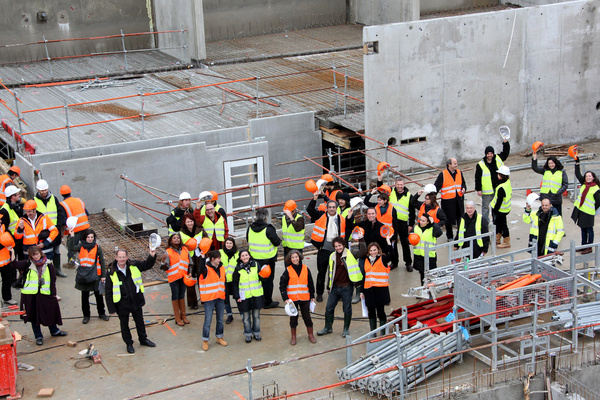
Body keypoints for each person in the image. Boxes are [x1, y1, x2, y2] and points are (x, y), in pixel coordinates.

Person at [106, 248, 157, 354]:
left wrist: (152, 255)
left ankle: (143, 339)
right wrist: (111, 308)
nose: (122, 259)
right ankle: (129, 343)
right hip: (122, 303)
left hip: (135, 300)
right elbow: (108, 291)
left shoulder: (134, 265)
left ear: (127, 257)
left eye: (124, 257)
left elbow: (147, 265)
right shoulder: (111, 272)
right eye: (119, 257)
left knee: (140, 321)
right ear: (116, 258)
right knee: (124, 325)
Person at [16, 246, 67, 346]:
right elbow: (15, 264)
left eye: (37, 254)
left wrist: (53, 294)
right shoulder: (28, 264)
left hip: (45, 293)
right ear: (30, 256)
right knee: (34, 316)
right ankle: (38, 336)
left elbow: (53, 279)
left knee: (49, 312)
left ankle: (54, 331)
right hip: (31, 295)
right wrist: (11, 253)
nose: (36, 256)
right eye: (33, 255)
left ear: (41, 253)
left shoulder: (48, 264)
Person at [317, 236, 364, 338]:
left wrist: (361, 239)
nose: (338, 248)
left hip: (346, 287)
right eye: (336, 246)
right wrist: (329, 287)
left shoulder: (350, 254)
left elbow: (363, 251)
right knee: (329, 308)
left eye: (339, 246)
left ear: (344, 245)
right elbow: (330, 272)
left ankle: (346, 329)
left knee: (347, 309)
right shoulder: (332, 256)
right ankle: (328, 327)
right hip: (335, 287)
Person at [307, 194, 346, 303]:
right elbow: (310, 209)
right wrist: (314, 198)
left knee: (335, 273)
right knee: (321, 273)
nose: (332, 209)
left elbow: (346, 232)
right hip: (323, 249)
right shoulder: (320, 215)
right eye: (330, 207)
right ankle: (319, 293)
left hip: (336, 250)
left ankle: (334, 292)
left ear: (336, 208)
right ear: (327, 208)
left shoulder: (341, 219)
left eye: (334, 207)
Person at [68, 228, 109, 324]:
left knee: (98, 296)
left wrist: (103, 275)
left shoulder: (97, 247)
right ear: (85, 238)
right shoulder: (81, 246)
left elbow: (102, 262)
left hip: (95, 275)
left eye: (92, 237)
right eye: (88, 237)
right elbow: (71, 248)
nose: (90, 239)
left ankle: (102, 313)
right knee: (84, 297)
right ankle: (86, 316)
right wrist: (72, 236)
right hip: (84, 276)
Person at [279, 250, 316, 345]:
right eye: (293, 257)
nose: (295, 259)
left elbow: (310, 283)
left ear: (299, 257)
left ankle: (310, 335)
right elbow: (282, 285)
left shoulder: (305, 268)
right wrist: (285, 298)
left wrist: (312, 295)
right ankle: (293, 337)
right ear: (290, 259)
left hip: (304, 298)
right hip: (292, 300)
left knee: (307, 317)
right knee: (293, 318)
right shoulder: (288, 270)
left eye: (296, 257)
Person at [246, 208, 281, 309]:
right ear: (266, 217)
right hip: (267, 260)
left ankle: (258, 300)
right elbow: (276, 242)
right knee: (268, 282)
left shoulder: (250, 228)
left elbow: (248, 239)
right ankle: (267, 302)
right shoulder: (269, 228)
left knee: (256, 281)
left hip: (254, 260)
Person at [360, 236, 393, 335]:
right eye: (371, 250)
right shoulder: (366, 260)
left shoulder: (383, 259)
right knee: (371, 312)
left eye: (375, 250)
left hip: (380, 290)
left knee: (380, 312)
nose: (373, 252)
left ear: (378, 250)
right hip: (369, 290)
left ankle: (382, 333)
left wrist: (388, 242)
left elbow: (392, 254)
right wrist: (362, 291)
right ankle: (373, 333)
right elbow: (364, 276)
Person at [381, 177, 415, 272]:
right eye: (398, 184)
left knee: (405, 243)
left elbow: (412, 212)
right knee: (393, 243)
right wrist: (380, 178)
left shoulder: (409, 195)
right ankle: (394, 262)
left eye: (401, 185)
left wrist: (411, 225)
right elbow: (381, 190)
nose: (399, 186)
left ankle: (408, 263)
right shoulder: (390, 192)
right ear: (395, 184)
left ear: (404, 185)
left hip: (403, 223)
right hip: (391, 222)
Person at [35, 179, 67, 277]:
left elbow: (60, 213)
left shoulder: (54, 198)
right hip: (43, 233)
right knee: (44, 253)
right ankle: (45, 271)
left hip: (54, 231)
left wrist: (59, 226)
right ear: (38, 190)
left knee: (56, 251)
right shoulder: (34, 201)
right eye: (42, 190)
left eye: (45, 190)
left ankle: (57, 270)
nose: (44, 192)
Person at [197, 250, 228, 351]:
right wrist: (202, 258)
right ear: (213, 259)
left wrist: (225, 297)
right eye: (218, 258)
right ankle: (205, 340)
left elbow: (224, 282)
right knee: (208, 320)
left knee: (220, 319)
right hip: (209, 299)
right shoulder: (206, 268)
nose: (220, 260)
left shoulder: (222, 268)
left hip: (220, 298)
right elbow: (201, 270)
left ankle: (219, 337)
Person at [232, 250, 264, 343]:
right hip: (244, 296)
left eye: (246, 255)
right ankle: (248, 334)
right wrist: (237, 296)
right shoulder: (238, 268)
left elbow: (262, 277)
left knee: (256, 316)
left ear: (249, 256)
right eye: (243, 255)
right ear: (240, 258)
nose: (245, 257)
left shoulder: (256, 265)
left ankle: (257, 333)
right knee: (246, 318)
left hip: (257, 295)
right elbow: (235, 283)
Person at [475, 139, 510, 220]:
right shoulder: (480, 164)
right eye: (488, 154)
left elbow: (505, 153)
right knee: (485, 208)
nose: (490, 155)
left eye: (491, 153)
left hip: (498, 188)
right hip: (487, 191)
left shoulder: (498, 158)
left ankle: (495, 221)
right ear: (486, 154)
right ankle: (485, 224)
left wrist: (505, 143)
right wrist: (478, 189)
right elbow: (477, 177)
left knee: (496, 206)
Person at [364, 189, 399, 269]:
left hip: (389, 233)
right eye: (378, 200)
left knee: (393, 248)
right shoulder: (376, 207)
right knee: (381, 248)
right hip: (379, 232)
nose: (378, 202)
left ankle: (394, 262)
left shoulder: (392, 209)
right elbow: (366, 202)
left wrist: (394, 237)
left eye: (380, 200)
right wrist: (371, 193)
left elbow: (395, 224)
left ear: (385, 201)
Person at [571, 158, 600, 254]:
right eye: (586, 176)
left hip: (589, 212)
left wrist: (592, 208)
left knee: (589, 229)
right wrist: (577, 163)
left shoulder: (595, 188)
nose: (587, 177)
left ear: (593, 178)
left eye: (589, 176)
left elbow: (598, 202)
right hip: (581, 210)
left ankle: (589, 247)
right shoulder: (584, 184)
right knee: (583, 228)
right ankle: (584, 245)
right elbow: (578, 174)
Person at [160, 233, 189, 327]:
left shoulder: (185, 249)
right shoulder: (168, 252)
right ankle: (177, 318)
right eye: (174, 238)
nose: (176, 239)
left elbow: (190, 262)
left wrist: (190, 273)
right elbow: (164, 268)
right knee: (175, 295)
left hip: (183, 277)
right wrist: (163, 262)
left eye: (178, 238)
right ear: (171, 241)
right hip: (174, 278)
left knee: (181, 295)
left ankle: (183, 316)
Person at [434, 158, 466, 240]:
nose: (456, 165)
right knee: (448, 220)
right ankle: (450, 236)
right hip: (447, 201)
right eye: (455, 164)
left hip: (458, 200)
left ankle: (460, 234)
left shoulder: (459, 172)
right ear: (449, 165)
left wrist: (463, 188)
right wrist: (432, 199)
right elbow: (436, 187)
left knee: (460, 218)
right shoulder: (443, 174)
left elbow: (463, 183)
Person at [59, 185, 90, 265]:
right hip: (85, 226)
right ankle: (90, 259)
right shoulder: (78, 200)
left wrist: (62, 233)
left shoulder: (62, 204)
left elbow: (63, 220)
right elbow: (87, 213)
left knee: (72, 246)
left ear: (61, 194)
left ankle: (71, 263)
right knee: (87, 244)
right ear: (70, 191)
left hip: (75, 229)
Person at [178, 215, 203, 310]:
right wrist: (189, 246)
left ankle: (204, 299)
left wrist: (200, 246)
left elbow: (206, 239)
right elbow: (180, 245)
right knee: (190, 280)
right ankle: (193, 303)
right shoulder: (181, 233)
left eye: (191, 221)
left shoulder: (200, 229)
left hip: (200, 257)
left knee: (202, 278)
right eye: (188, 222)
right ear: (184, 223)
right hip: (189, 259)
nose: (190, 223)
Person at [413, 214, 443, 284]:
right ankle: (424, 290)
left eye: (423, 221)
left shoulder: (433, 228)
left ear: (428, 222)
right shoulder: (416, 228)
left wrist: (434, 223)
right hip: (419, 256)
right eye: (420, 220)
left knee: (430, 275)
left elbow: (439, 233)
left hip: (430, 256)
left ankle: (430, 291)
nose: (421, 222)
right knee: (422, 275)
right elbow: (409, 238)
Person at [491, 166, 512, 248]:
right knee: (499, 224)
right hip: (505, 209)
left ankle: (506, 241)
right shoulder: (507, 183)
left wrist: (495, 210)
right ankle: (497, 238)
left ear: (501, 175)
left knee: (503, 225)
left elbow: (499, 201)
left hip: (500, 210)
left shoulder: (501, 187)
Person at [220, 237, 239, 324]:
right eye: (227, 243)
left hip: (235, 281)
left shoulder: (238, 254)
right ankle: (229, 315)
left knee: (237, 298)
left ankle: (242, 314)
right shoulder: (220, 253)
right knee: (226, 299)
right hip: (224, 280)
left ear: (233, 244)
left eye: (230, 243)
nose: (229, 245)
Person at [0, 185, 23, 258]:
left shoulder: (17, 206)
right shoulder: (4, 211)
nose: (19, 195)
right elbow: (4, 229)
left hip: (19, 239)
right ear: (12, 196)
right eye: (17, 194)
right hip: (13, 241)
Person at [0, 233, 16, 306]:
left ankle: (7, 298)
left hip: (6, 262)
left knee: (7, 280)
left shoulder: (4, 230)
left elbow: (12, 243)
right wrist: (3, 243)